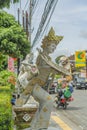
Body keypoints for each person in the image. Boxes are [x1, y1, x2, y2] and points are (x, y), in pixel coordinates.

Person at [16, 27, 71, 130]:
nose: (54, 48)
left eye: (55, 46)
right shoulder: (42, 56)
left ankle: (35, 126)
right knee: (49, 100)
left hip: (39, 84)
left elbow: (53, 69)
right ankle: (41, 126)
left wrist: (64, 71)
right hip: (34, 84)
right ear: (46, 44)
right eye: (53, 46)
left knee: (43, 103)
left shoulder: (47, 58)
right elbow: (53, 67)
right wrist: (64, 71)